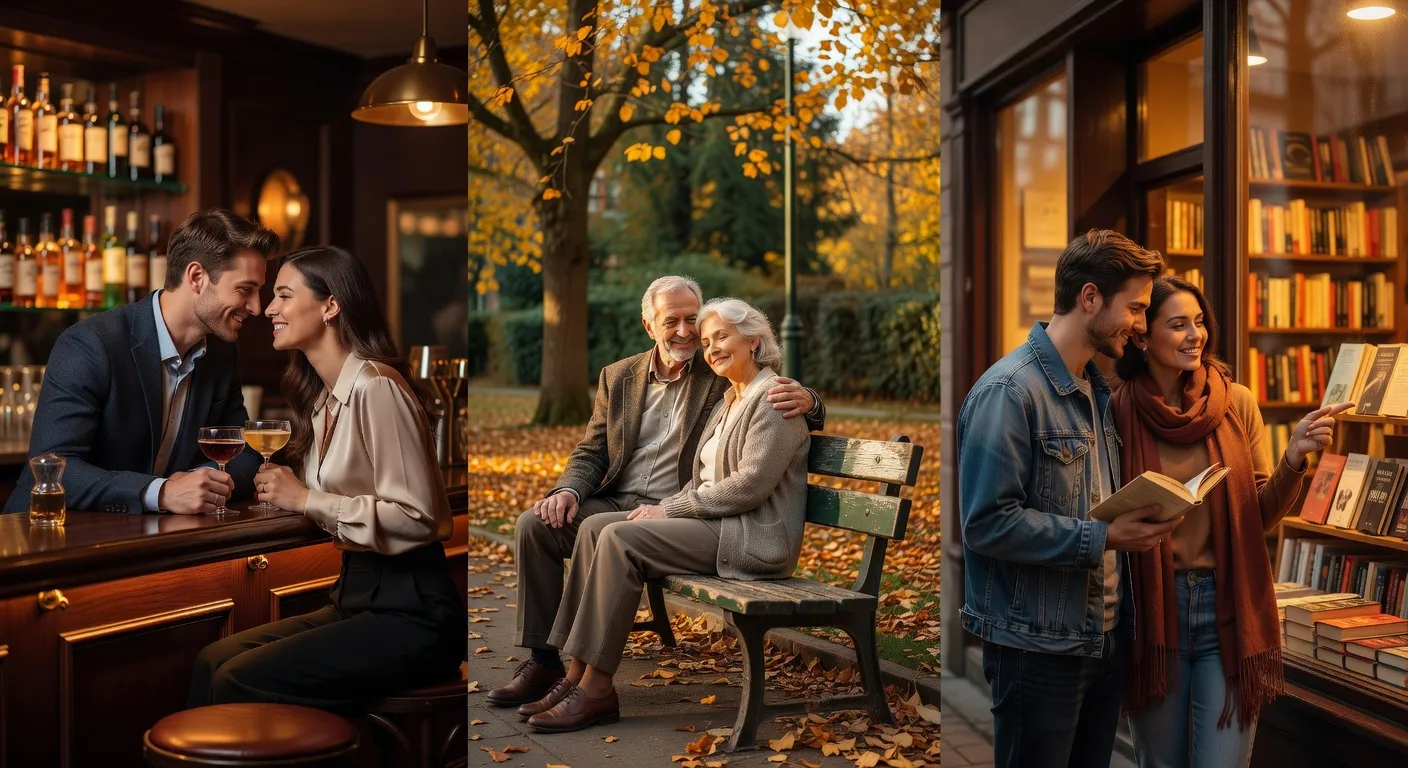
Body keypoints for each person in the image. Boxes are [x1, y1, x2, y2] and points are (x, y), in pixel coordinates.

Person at [486, 275, 826, 709]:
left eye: (694, 322)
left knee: (607, 536)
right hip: (622, 498)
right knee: (535, 524)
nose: (687, 333)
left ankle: (589, 685)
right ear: (650, 326)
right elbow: (591, 450)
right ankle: (547, 662)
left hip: (686, 508)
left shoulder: (719, 370)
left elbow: (775, 399)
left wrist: (810, 402)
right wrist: (568, 490)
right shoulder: (620, 376)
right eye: (672, 321)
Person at [186, 246, 465, 710]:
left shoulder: (377, 387)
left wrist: (305, 500)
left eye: (283, 295)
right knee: (212, 661)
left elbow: (423, 518)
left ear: (330, 305)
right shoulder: (324, 400)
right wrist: (290, 496)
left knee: (237, 679)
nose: (268, 309)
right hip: (354, 596)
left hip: (414, 612)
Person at [957, 229, 1180, 768]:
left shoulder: (1095, 390)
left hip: (1100, 641)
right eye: (1135, 307)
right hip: (1037, 651)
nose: (1141, 324)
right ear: (1089, 298)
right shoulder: (1009, 391)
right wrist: (1106, 536)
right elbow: (986, 523)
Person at [1112, 276, 1348, 768]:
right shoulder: (1118, 410)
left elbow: (1257, 515)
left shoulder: (1234, 402)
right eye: (1177, 325)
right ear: (1142, 336)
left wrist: (1294, 457)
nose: (1195, 334)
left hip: (1228, 608)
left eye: (1199, 322)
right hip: (1157, 615)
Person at [3, 209, 275, 516]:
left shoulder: (222, 354)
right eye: (245, 289)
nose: (257, 307)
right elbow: (53, 467)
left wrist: (203, 483)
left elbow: (245, 453)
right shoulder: (91, 344)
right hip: (45, 534)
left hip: (144, 539)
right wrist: (162, 493)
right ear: (197, 277)